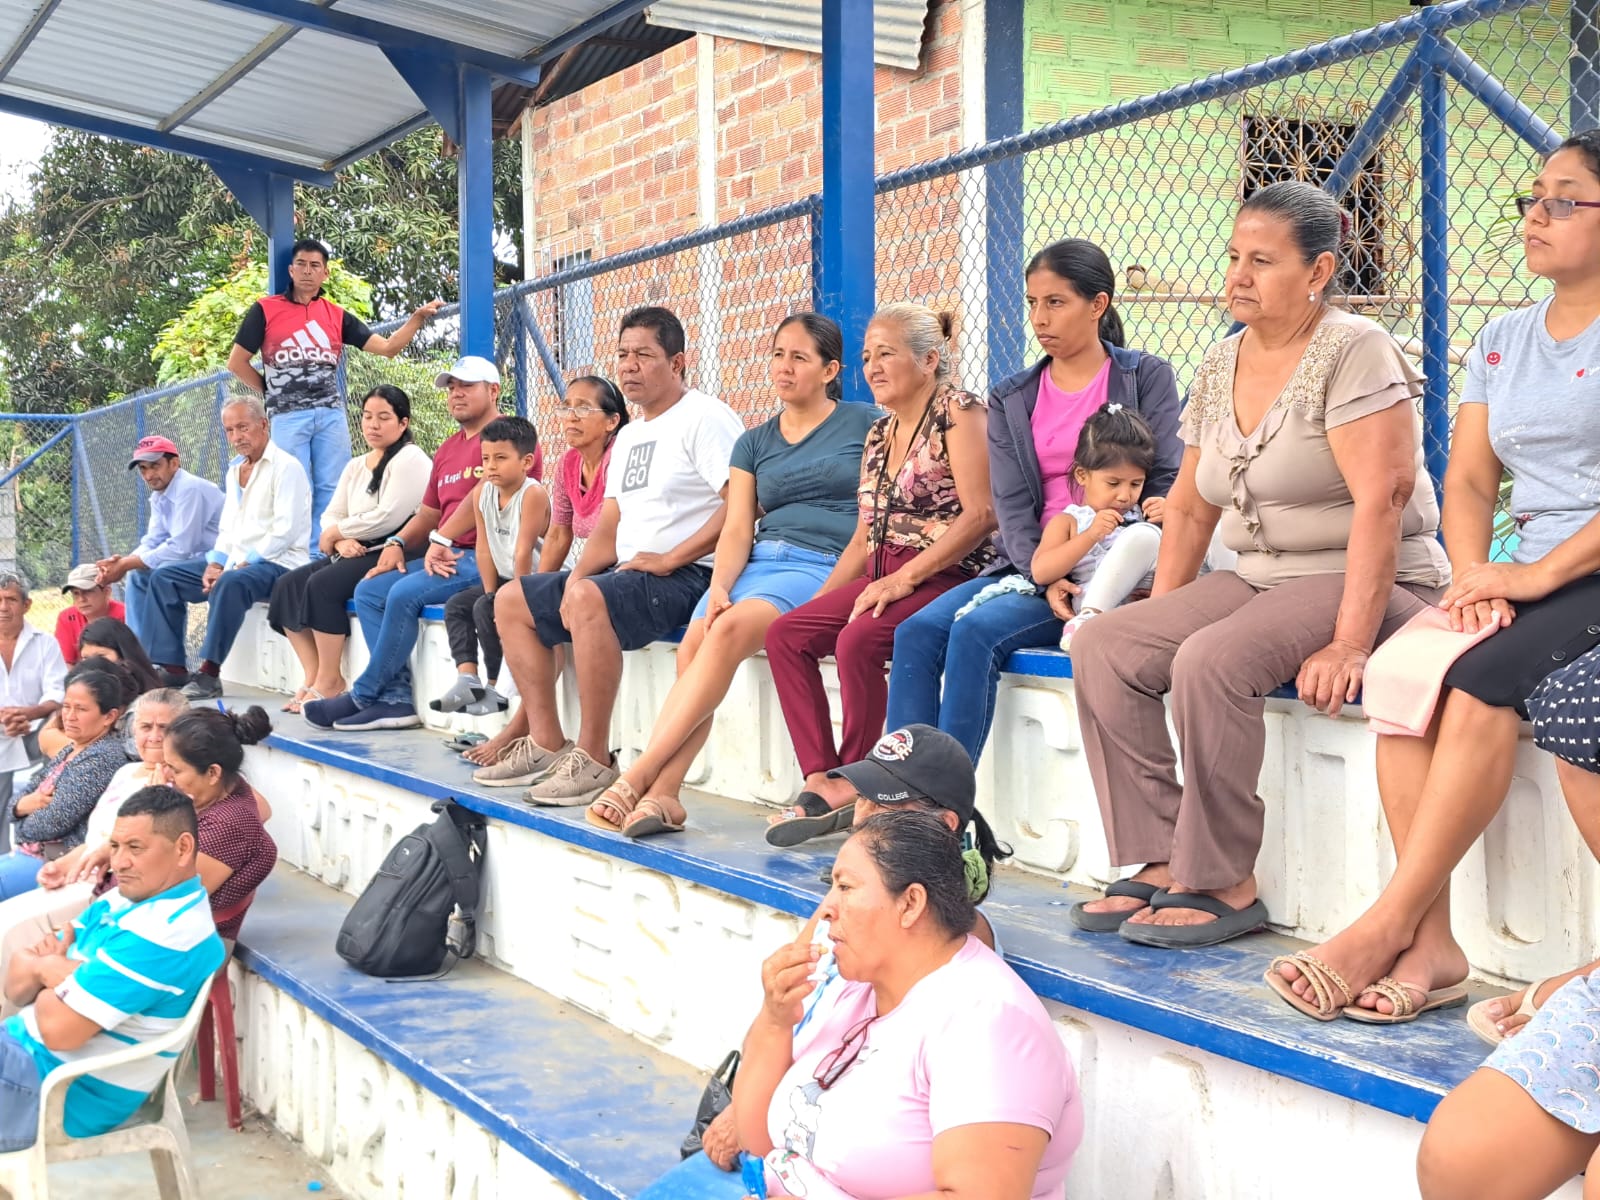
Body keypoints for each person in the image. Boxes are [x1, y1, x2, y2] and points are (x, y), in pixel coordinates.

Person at [1269, 134, 1600, 1021]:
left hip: (1583, 568)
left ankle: (1385, 923)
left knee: (1482, 684)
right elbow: (1470, 481)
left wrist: (1535, 576)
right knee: (1401, 676)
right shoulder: (1503, 339)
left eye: (1565, 200)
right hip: (1522, 569)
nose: (1535, 216)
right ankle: (1433, 940)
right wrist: (1477, 573)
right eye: (1533, 197)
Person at [1068, 179, 1448, 950]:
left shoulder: (1354, 349)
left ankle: (1221, 879)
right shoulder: (1222, 360)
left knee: (1211, 660)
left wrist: (1350, 642)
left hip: (1361, 574)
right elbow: (1192, 509)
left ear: (1318, 272)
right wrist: (1157, 613)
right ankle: (1161, 852)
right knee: (1107, 645)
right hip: (1258, 575)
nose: (1238, 276)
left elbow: (1382, 501)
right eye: (1234, 257)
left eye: (1262, 261)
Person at [884, 240, 1182, 764]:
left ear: (1098, 304)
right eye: (1032, 303)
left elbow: (1165, 477)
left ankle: (944, 799)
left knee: (975, 632)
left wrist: (1132, 554)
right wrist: (1044, 575)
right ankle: (899, 787)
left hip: (1107, 568)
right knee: (916, 633)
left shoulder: (1143, 376)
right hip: (1035, 564)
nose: (1039, 319)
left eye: (1056, 302)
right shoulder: (1013, 395)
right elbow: (1012, 506)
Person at [588, 314, 876, 837]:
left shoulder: (865, 424)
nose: (784, 367)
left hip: (820, 563)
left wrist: (834, 587)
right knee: (694, 645)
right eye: (778, 354)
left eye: (799, 357)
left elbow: (872, 519)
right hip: (759, 563)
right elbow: (739, 526)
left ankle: (640, 775)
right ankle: (666, 796)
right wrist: (719, 585)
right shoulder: (754, 442)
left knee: (724, 632)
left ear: (830, 370)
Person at [695, 722, 1011, 1171]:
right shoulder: (851, 902)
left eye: (884, 804)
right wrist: (744, 1099)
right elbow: (794, 1002)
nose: (861, 817)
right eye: (863, 796)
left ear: (943, 826)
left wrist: (759, 1119)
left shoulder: (948, 941)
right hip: (791, 1116)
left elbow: (871, 1075)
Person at [731, 811, 1081, 1195]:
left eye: (845, 887)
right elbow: (758, 1143)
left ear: (910, 903)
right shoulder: (856, 987)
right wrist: (775, 1020)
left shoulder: (991, 1023)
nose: (826, 908)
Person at [477, 307, 742, 805]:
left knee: (587, 599)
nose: (628, 365)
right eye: (623, 354)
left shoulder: (705, 417)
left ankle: (595, 758)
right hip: (630, 572)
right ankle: (545, 741)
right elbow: (610, 523)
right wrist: (577, 575)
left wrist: (671, 558)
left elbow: (742, 505)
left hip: (687, 575)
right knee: (512, 600)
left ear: (677, 362)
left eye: (644, 354)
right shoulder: (633, 435)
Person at [763, 303, 995, 847]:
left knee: (859, 641)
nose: (872, 367)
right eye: (867, 356)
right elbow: (863, 537)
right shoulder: (878, 433)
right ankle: (822, 777)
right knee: (788, 634)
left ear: (929, 359)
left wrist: (905, 578)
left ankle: (858, 780)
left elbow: (981, 515)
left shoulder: (959, 412)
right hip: (881, 571)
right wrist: (820, 605)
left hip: (945, 572)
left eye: (886, 354)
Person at [303, 356, 540, 732]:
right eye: (452, 387)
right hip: (447, 553)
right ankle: (396, 700)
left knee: (402, 593)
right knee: (369, 590)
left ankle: (363, 694)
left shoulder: (509, 438)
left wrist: (441, 538)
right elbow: (430, 513)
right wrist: (398, 542)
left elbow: (481, 496)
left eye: (467, 386)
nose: (456, 393)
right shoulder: (447, 450)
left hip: (489, 555)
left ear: (494, 390)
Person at [0, 786, 225, 1150]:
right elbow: (16, 987)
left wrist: (47, 969)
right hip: (19, 1053)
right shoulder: (125, 898)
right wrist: (51, 970)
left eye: (135, 848)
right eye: (115, 846)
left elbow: (58, 1030)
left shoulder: (166, 934)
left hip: (51, 1091)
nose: (118, 863)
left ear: (183, 848)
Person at [462, 376, 626, 770]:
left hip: (625, 566)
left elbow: (611, 534)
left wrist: (570, 582)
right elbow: (558, 533)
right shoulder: (569, 463)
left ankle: (521, 732)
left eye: (584, 408)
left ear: (612, 422)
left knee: (561, 604)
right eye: (567, 407)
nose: (571, 416)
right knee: (514, 602)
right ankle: (544, 738)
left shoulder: (621, 457)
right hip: (593, 569)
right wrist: (535, 591)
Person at [227, 237, 443, 534]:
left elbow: (388, 348)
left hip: (330, 414)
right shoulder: (265, 310)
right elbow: (236, 363)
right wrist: (270, 392)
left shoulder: (336, 315)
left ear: (325, 273)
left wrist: (416, 319)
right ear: (290, 270)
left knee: (334, 487)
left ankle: (326, 548)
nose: (307, 271)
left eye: (315, 265)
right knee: (293, 485)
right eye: (301, 264)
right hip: (288, 416)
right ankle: (297, 552)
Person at [0, 689, 185, 1019]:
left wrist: (157, 796)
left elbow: (136, 849)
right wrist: (62, 865)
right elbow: (97, 838)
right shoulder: (127, 772)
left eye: (165, 728)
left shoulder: (176, 789)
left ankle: (12, 1029)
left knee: (13, 932)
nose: (154, 737)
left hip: (110, 889)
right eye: (146, 727)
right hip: (79, 875)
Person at [267, 384, 432, 712]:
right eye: (367, 417)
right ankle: (313, 675)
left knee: (322, 585)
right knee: (287, 586)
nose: (373, 425)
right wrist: (339, 538)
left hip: (395, 548)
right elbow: (332, 512)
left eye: (384, 417)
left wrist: (337, 532)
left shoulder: (411, 458)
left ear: (403, 423)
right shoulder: (356, 465)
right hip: (351, 547)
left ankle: (331, 680)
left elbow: (388, 516)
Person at [143, 397, 312, 701]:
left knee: (232, 582)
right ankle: (173, 667)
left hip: (279, 563)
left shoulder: (287, 468)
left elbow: (284, 532)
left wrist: (238, 565)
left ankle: (209, 674)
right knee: (164, 578)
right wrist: (216, 563)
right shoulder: (234, 470)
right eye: (230, 430)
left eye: (243, 427)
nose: (236, 437)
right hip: (237, 563)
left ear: (264, 425)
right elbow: (228, 528)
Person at [432, 417, 549, 716]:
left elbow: (523, 550)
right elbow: (483, 547)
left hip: (535, 580)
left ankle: (496, 688)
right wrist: (490, 592)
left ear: (526, 462)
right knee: (458, 605)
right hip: (504, 578)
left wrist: (513, 599)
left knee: (487, 609)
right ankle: (468, 679)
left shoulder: (532, 494)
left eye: (500, 458)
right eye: (486, 459)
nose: (491, 467)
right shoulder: (483, 493)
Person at [0, 669, 132, 901]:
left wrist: (20, 821)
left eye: (81, 709)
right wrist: (20, 806)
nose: (69, 716)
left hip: (55, 860)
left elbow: (54, 822)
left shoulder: (102, 757)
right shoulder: (73, 748)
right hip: (31, 852)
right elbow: (25, 792)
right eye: (66, 706)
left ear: (109, 716)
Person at [95, 435, 224, 651]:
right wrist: (123, 562)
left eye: (155, 466)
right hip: (194, 566)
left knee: (163, 575)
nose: (149, 475)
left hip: (220, 563)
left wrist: (127, 564)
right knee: (138, 575)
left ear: (174, 463)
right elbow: (153, 540)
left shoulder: (189, 488)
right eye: (143, 469)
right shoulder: (160, 495)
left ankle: (168, 660)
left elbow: (182, 547)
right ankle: (138, 655)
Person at [0, 572, 66, 844]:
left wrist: (28, 714)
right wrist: (6, 718)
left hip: (34, 730)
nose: (3, 607)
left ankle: (46, 838)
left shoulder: (45, 643)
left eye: (11, 599)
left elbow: (57, 692)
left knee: (62, 735)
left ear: (26, 605)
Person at [53, 565, 124, 667]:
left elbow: (134, 660)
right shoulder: (67, 617)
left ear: (106, 592)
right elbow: (66, 663)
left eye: (88, 591)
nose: (81, 599)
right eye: (76, 593)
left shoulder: (125, 615)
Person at [77, 617, 167, 695]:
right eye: (86, 658)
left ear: (123, 654)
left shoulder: (149, 700)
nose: (92, 664)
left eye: (101, 656)